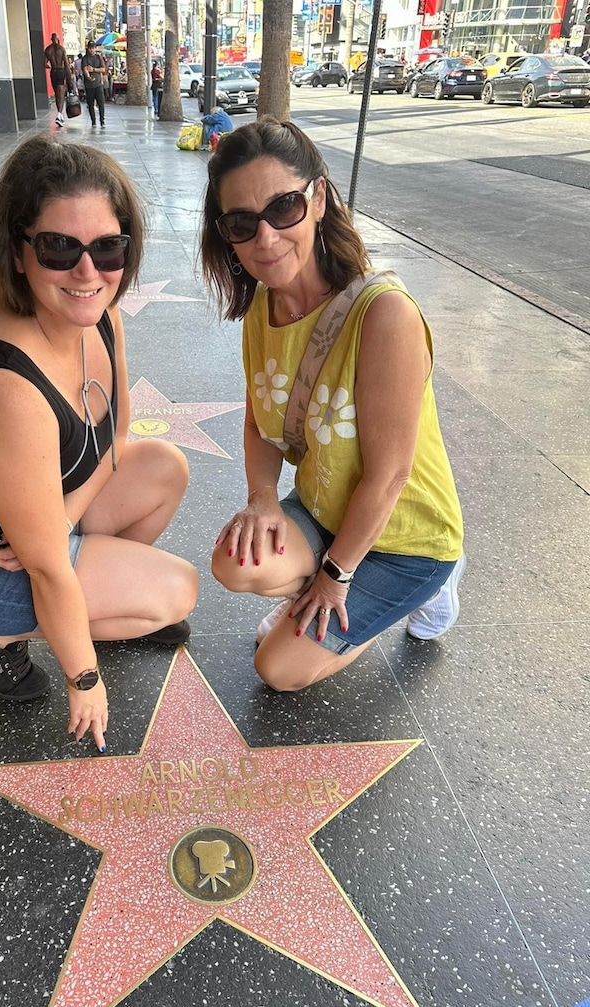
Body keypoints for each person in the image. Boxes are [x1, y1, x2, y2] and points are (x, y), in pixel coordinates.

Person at [0, 136, 198, 752]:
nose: (88, 272)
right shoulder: (2, 384)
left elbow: (116, 437)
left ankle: (92, 604)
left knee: (164, 467)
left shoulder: (98, 314)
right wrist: (83, 677)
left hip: (35, 520)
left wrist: (59, 520)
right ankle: (0, 635)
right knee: (176, 591)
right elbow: (42, 564)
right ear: (18, 250)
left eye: (108, 247)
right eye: (60, 248)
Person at [199, 120, 464, 693]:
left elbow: (391, 474)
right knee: (234, 560)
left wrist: (334, 578)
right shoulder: (260, 311)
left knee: (278, 671)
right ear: (227, 235)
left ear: (318, 198)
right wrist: (263, 501)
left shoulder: (384, 315)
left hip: (406, 538)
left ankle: (428, 589)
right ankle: (330, 591)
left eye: (284, 207)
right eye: (243, 223)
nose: (265, 239)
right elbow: (258, 421)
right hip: (326, 512)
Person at [44, 33, 73, 126]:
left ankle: (60, 116)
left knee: (57, 94)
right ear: (57, 39)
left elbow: (45, 64)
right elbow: (67, 65)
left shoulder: (48, 50)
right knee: (61, 94)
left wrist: (50, 66)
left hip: (53, 72)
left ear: (51, 39)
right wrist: (69, 79)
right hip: (61, 71)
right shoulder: (61, 49)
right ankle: (59, 115)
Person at [82, 41, 107, 128]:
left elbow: (103, 69)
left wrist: (93, 69)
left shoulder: (98, 57)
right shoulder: (85, 58)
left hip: (98, 84)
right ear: (88, 48)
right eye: (90, 48)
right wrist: (89, 77)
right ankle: (93, 121)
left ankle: (102, 120)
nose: (92, 50)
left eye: (93, 48)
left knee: (101, 103)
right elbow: (85, 70)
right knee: (90, 104)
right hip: (89, 86)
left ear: (95, 48)